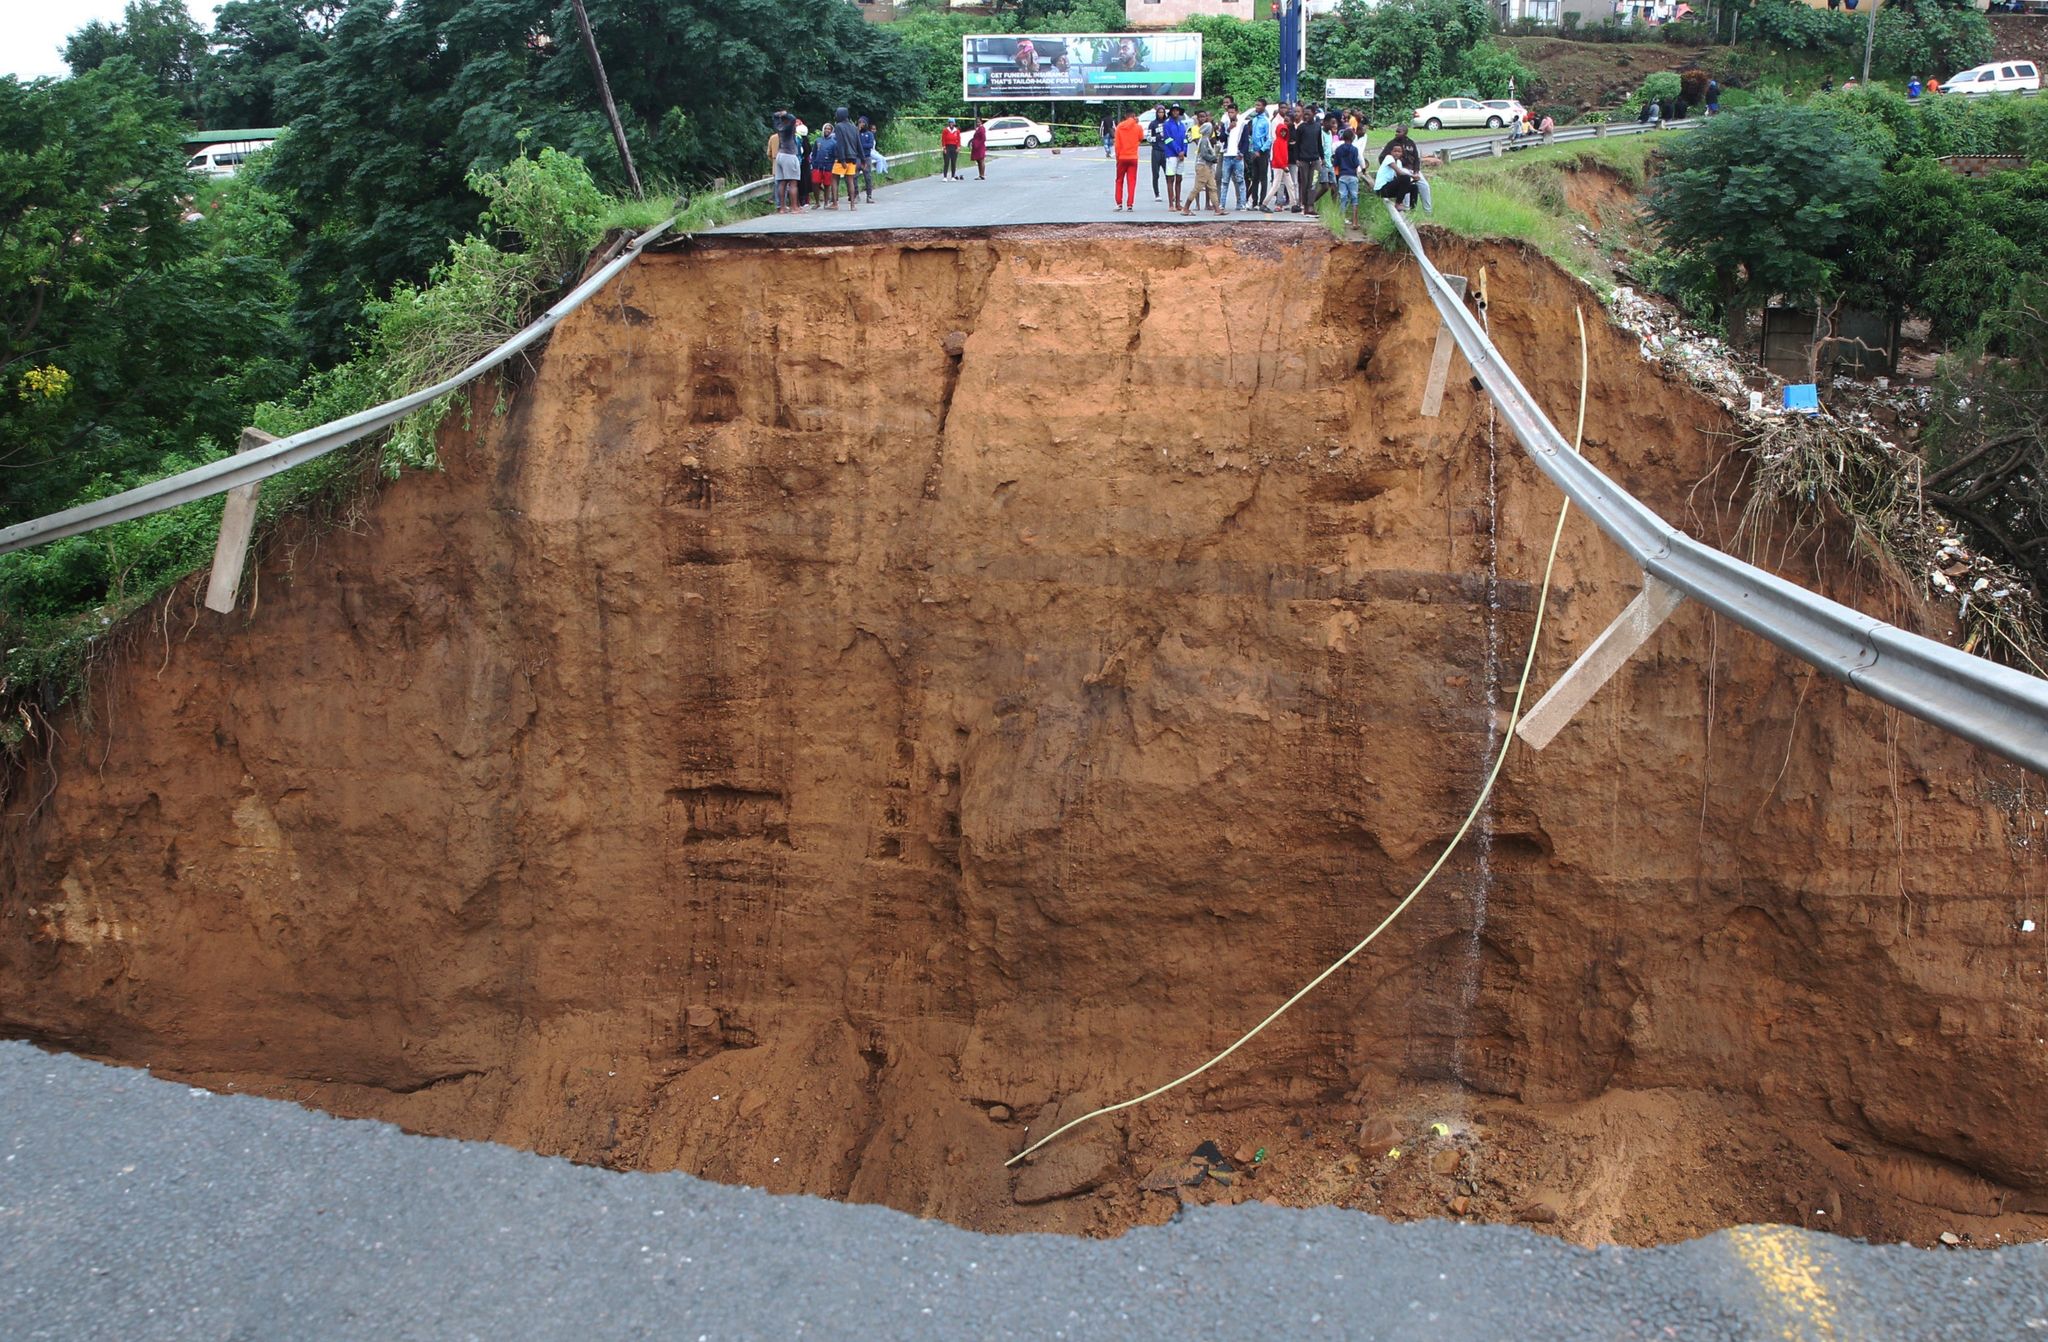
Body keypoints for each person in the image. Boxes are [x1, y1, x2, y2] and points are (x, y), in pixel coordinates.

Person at [1186, 115, 1223, 215]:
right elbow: (1204, 154)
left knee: (1212, 187)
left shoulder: (1205, 140)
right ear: (1208, 131)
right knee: (1197, 188)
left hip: (1207, 166)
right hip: (1203, 166)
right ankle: (1186, 208)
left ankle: (1217, 209)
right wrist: (1214, 158)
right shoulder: (1204, 141)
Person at [1291, 104, 1322, 213]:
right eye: (1305, 114)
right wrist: (1297, 159)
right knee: (1304, 183)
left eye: (1308, 114)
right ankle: (1304, 205)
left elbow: (1319, 144)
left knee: (1313, 182)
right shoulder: (1301, 128)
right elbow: (1297, 145)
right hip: (1303, 160)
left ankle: (1311, 205)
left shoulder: (1318, 127)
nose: (1306, 116)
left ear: (1314, 114)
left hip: (1315, 160)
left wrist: (1322, 158)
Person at [769, 112, 801, 214]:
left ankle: (782, 207)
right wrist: (785, 113)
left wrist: (778, 115)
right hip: (789, 155)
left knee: (782, 182)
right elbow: (793, 118)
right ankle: (794, 207)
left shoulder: (779, 127)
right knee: (793, 183)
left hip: (780, 155)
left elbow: (774, 117)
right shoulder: (788, 129)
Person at [1332, 127, 1362, 231]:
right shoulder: (1355, 150)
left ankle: (1341, 221)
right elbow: (1356, 163)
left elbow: (1335, 163)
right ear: (1353, 138)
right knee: (1354, 197)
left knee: (1343, 197)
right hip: (1352, 176)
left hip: (1342, 176)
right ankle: (1355, 222)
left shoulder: (1339, 150)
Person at [1113, 107, 1143, 210]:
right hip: (1133, 157)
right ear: (1134, 116)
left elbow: (1117, 145)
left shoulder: (1119, 127)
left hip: (1122, 157)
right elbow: (1141, 138)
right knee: (1132, 181)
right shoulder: (1138, 127)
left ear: (1125, 116)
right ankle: (1130, 204)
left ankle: (1119, 203)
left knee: (1119, 180)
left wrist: (1117, 158)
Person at [833, 106, 863, 209]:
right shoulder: (854, 127)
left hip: (843, 158)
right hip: (853, 157)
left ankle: (835, 203)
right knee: (850, 180)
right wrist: (863, 159)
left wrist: (842, 160)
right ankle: (852, 205)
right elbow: (859, 144)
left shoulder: (838, 126)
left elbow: (840, 144)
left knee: (834, 179)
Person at [1246, 98, 1272, 209]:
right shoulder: (1254, 119)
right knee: (1254, 177)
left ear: (1264, 107)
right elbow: (1252, 137)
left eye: (1259, 105)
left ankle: (1262, 201)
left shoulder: (1266, 121)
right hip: (1253, 152)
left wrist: (1261, 151)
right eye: (1256, 105)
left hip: (1262, 152)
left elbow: (1269, 139)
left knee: (1263, 177)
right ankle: (1254, 202)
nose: (1257, 107)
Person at [1161, 105, 1189, 211]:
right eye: (1174, 110)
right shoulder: (1167, 124)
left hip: (1181, 155)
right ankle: (1171, 204)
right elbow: (1168, 140)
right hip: (1171, 154)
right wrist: (1178, 150)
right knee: (1170, 178)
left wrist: (1184, 151)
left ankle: (1178, 203)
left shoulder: (1182, 125)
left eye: (1177, 110)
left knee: (1179, 178)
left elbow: (1185, 139)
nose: (1175, 112)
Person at [1219, 106, 1247, 210]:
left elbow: (1245, 141)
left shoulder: (1242, 124)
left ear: (1236, 112)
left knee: (1240, 180)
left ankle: (1242, 204)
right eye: (1229, 112)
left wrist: (1242, 153)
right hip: (1227, 155)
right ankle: (1222, 204)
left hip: (1237, 155)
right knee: (1225, 181)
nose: (1231, 114)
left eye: (1232, 112)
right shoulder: (1226, 124)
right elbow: (1221, 138)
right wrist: (1228, 129)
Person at [1268, 106, 1294, 211]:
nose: (1283, 133)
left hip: (1284, 166)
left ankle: (1293, 204)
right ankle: (1265, 203)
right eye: (1281, 131)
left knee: (1291, 185)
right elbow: (1277, 156)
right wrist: (1283, 166)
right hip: (1279, 166)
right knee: (1276, 186)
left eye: (1284, 131)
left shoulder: (1284, 141)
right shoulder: (1278, 142)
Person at [810, 125, 838, 209]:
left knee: (827, 185)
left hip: (828, 166)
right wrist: (813, 162)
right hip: (817, 166)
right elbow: (814, 153)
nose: (827, 130)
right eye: (825, 128)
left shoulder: (833, 142)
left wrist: (832, 164)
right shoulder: (818, 140)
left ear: (831, 131)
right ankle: (817, 202)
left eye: (829, 129)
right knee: (815, 183)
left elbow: (835, 155)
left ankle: (826, 202)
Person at [1149, 104, 1169, 198]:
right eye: (1159, 112)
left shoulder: (1167, 122)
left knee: (1168, 173)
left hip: (1166, 151)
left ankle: (1171, 194)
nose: (1161, 114)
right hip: (1156, 150)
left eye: (1162, 112)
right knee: (1155, 174)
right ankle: (1157, 194)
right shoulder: (1153, 124)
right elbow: (1149, 138)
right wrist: (1158, 137)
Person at [855, 116, 877, 204]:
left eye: (863, 123)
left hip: (866, 157)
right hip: (857, 157)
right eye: (860, 123)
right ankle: (856, 195)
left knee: (868, 177)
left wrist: (860, 146)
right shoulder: (856, 133)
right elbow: (853, 143)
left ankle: (869, 196)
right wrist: (858, 130)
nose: (861, 124)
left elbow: (870, 145)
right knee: (854, 176)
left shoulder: (869, 134)